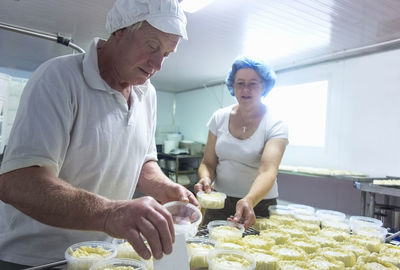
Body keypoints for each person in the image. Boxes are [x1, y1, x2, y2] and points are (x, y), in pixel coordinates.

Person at [0, 0, 198, 268]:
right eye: (152, 45)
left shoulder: (146, 93)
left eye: (166, 54)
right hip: (38, 258)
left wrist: (166, 188)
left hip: (103, 256)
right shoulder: (60, 78)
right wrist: (111, 213)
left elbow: (144, 162)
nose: (158, 64)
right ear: (119, 30)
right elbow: (18, 182)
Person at [194, 56, 289, 229]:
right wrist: (206, 178)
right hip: (219, 201)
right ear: (233, 86)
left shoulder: (275, 123)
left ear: (264, 86)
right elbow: (208, 163)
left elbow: (268, 171)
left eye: (253, 83)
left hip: (258, 203)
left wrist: (249, 200)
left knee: (254, 251)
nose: (246, 89)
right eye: (240, 83)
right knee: (210, 249)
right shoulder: (219, 117)